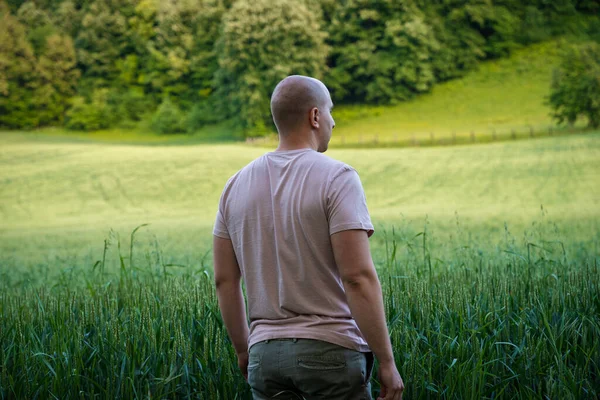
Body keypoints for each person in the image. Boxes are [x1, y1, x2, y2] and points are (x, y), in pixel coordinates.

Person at [213, 75, 404, 400]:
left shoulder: (235, 186)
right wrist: (386, 360)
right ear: (315, 116)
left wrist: (245, 351)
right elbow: (356, 277)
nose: (333, 120)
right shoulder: (338, 178)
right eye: (329, 111)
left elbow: (224, 281)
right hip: (330, 352)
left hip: (265, 358)